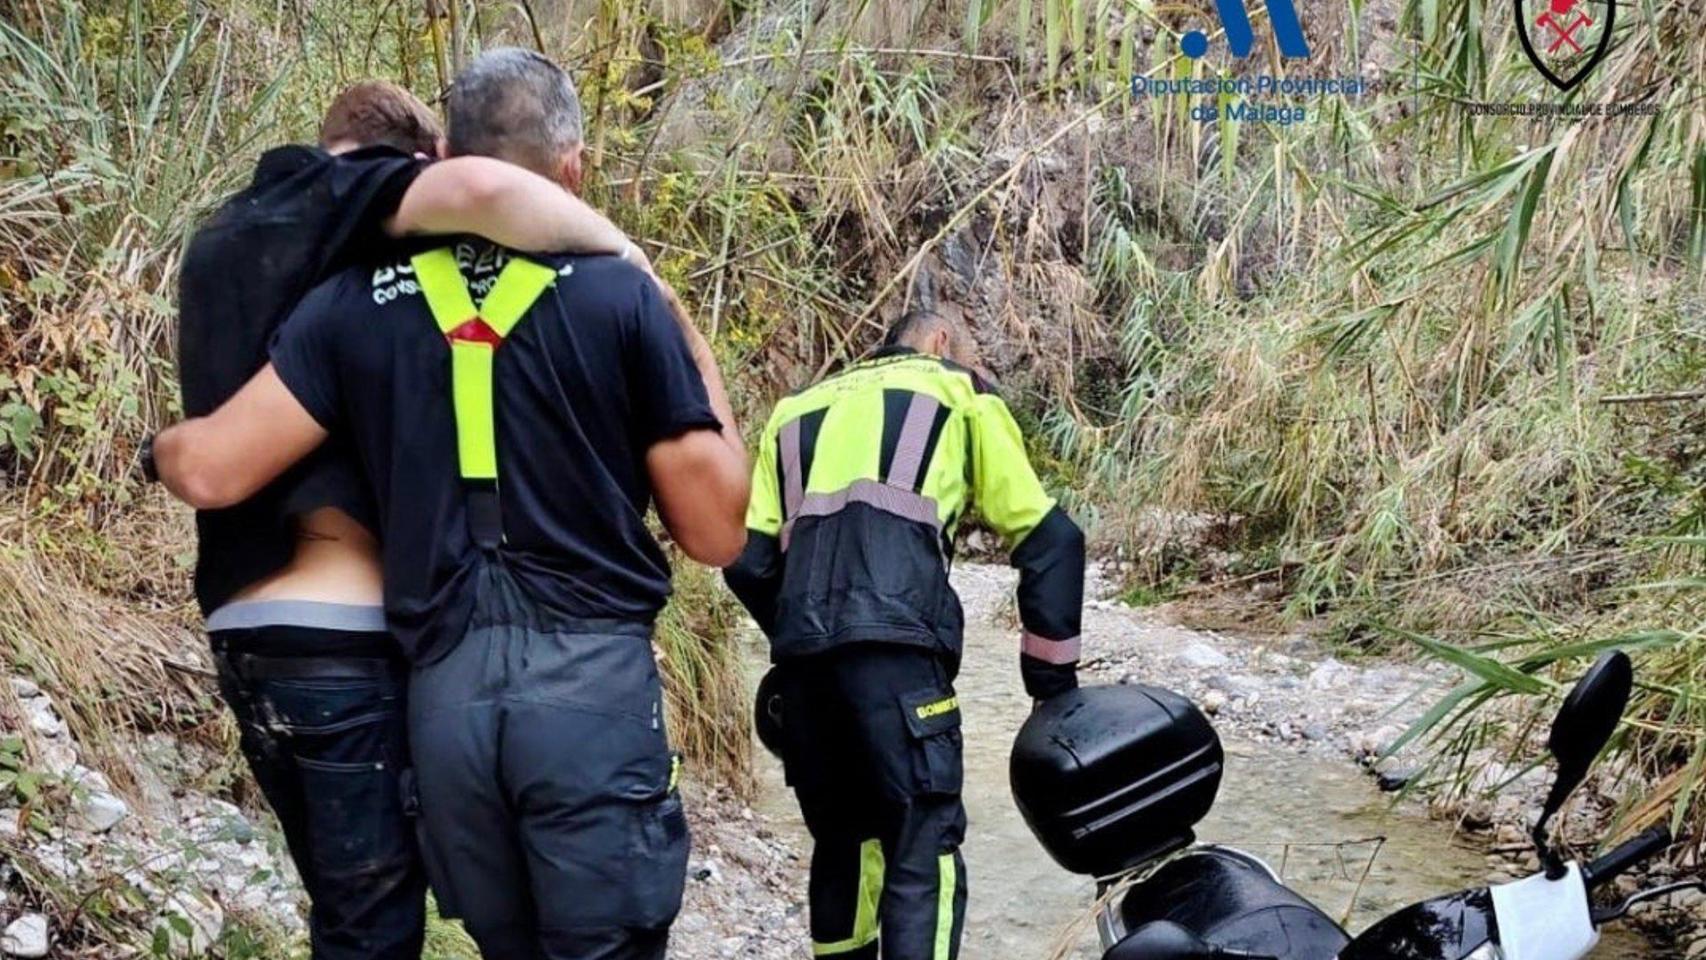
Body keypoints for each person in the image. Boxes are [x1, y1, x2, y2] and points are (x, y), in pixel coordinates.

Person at [149, 50, 748, 960]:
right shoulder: (621, 296)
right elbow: (715, 532)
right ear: (573, 168)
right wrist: (685, 335)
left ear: (443, 159)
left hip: (445, 704)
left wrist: (155, 447)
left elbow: (220, 461)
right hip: (589, 693)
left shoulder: (350, 300)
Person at [723, 309, 1086, 960]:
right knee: (923, 843)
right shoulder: (957, 392)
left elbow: (748, 564)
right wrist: (1052, 691)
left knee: (844, 845)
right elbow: (1051, 540)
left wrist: (802, 634)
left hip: (804, 672)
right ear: (941, 341)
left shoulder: (795, 410)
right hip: (900, 660)